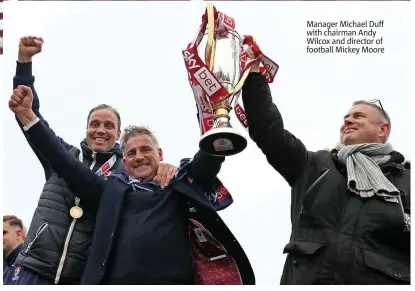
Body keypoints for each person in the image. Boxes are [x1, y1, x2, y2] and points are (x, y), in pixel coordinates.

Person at [9, 85, 255, 285]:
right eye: (132, 152)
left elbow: (206, 164)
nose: (139, 157)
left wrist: (216, 123)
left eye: (146, 150)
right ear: (124, 162)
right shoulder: (110, 190)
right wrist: (28, 116)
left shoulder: (177, 182)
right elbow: (64, 163)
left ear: (160, 153)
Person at [5, 36, 177, 285]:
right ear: (85, 129)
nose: (100, 130)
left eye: (109, 126)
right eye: (94, 124)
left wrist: (165, 167)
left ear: (118, 134)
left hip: (80, 277)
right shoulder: (61, 154)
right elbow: (32, 117)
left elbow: (150, 174)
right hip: (34, 269)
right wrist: (24, 64)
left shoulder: (126, 173)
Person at [241, 53, 410, 284]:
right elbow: (267, 130)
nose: (348, 121)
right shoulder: (314, 165)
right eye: (346, 117)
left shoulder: (405, 180)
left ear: (383, 130)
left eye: (358, 116)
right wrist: (254, 77)